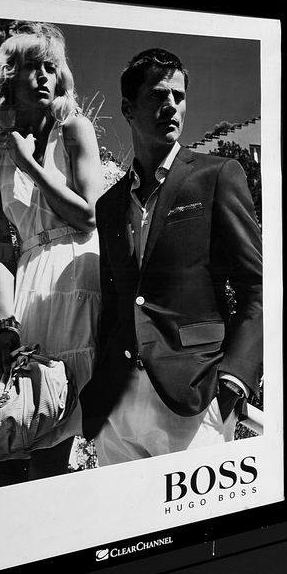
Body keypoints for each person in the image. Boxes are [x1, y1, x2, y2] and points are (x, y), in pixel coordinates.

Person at [80, 48, 263, 465]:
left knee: (198, 529)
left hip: (193, 397)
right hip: (119, 403)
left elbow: (257, 286)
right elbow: (115, 303)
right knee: (124, 526)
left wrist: (235, 376)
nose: (171, 107)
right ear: (128, 107)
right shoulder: (109, 205)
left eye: (178, 97)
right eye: (158, 96)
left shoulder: (214, 176)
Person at [0, 22, 103, 487]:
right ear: (9, 78)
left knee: (54, 436)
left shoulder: (75, 132)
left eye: (52, 67)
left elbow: (88, 216)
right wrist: (6, 323)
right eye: (31, 67)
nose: (45, 76)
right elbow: (1, 250)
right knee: (8, 430)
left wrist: (30, 165)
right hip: (25, 292)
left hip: (76, 280)